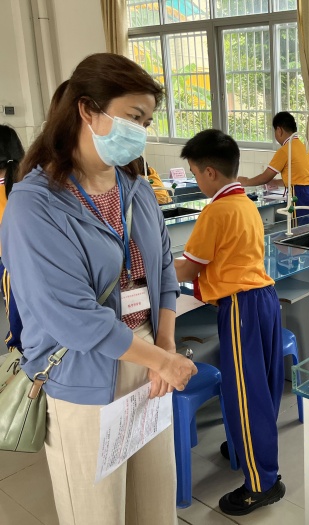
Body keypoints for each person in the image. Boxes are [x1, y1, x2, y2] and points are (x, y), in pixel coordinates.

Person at [2, 53, 197, 525]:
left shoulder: (137, 190)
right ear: (88, 110)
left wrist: (165, 348)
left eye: (146, 122)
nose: (141, 131)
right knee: (97, 513)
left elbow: (163, 272)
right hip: (84, 373)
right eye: (133, 117)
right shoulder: (36, 206)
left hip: (149, 361)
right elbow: (72, 317)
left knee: (155, 504)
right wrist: (162, 360)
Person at [175, 129, 286, 516]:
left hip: (241, 307)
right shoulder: (244, 203)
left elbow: (188, 268)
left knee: (245, 394)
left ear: (209, 172)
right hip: (263, 300)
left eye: (194, 173)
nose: (195, 180)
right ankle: (249, 449)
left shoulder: (216, 210)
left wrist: (150, 267)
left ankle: (261, 484)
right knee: (261, 388)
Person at [238, 111, 309, 221]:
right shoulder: (302, 146)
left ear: (279, 130)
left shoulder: (285, 150)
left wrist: (246, 181)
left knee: (301, 229)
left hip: (302, 196)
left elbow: (265, 177)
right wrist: (275, 182)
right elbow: (300, 178)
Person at [0, 125, 25, 352]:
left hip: (9, 260)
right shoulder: (29, 180)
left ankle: (18, 350)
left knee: (16, 312)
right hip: (31, 256)